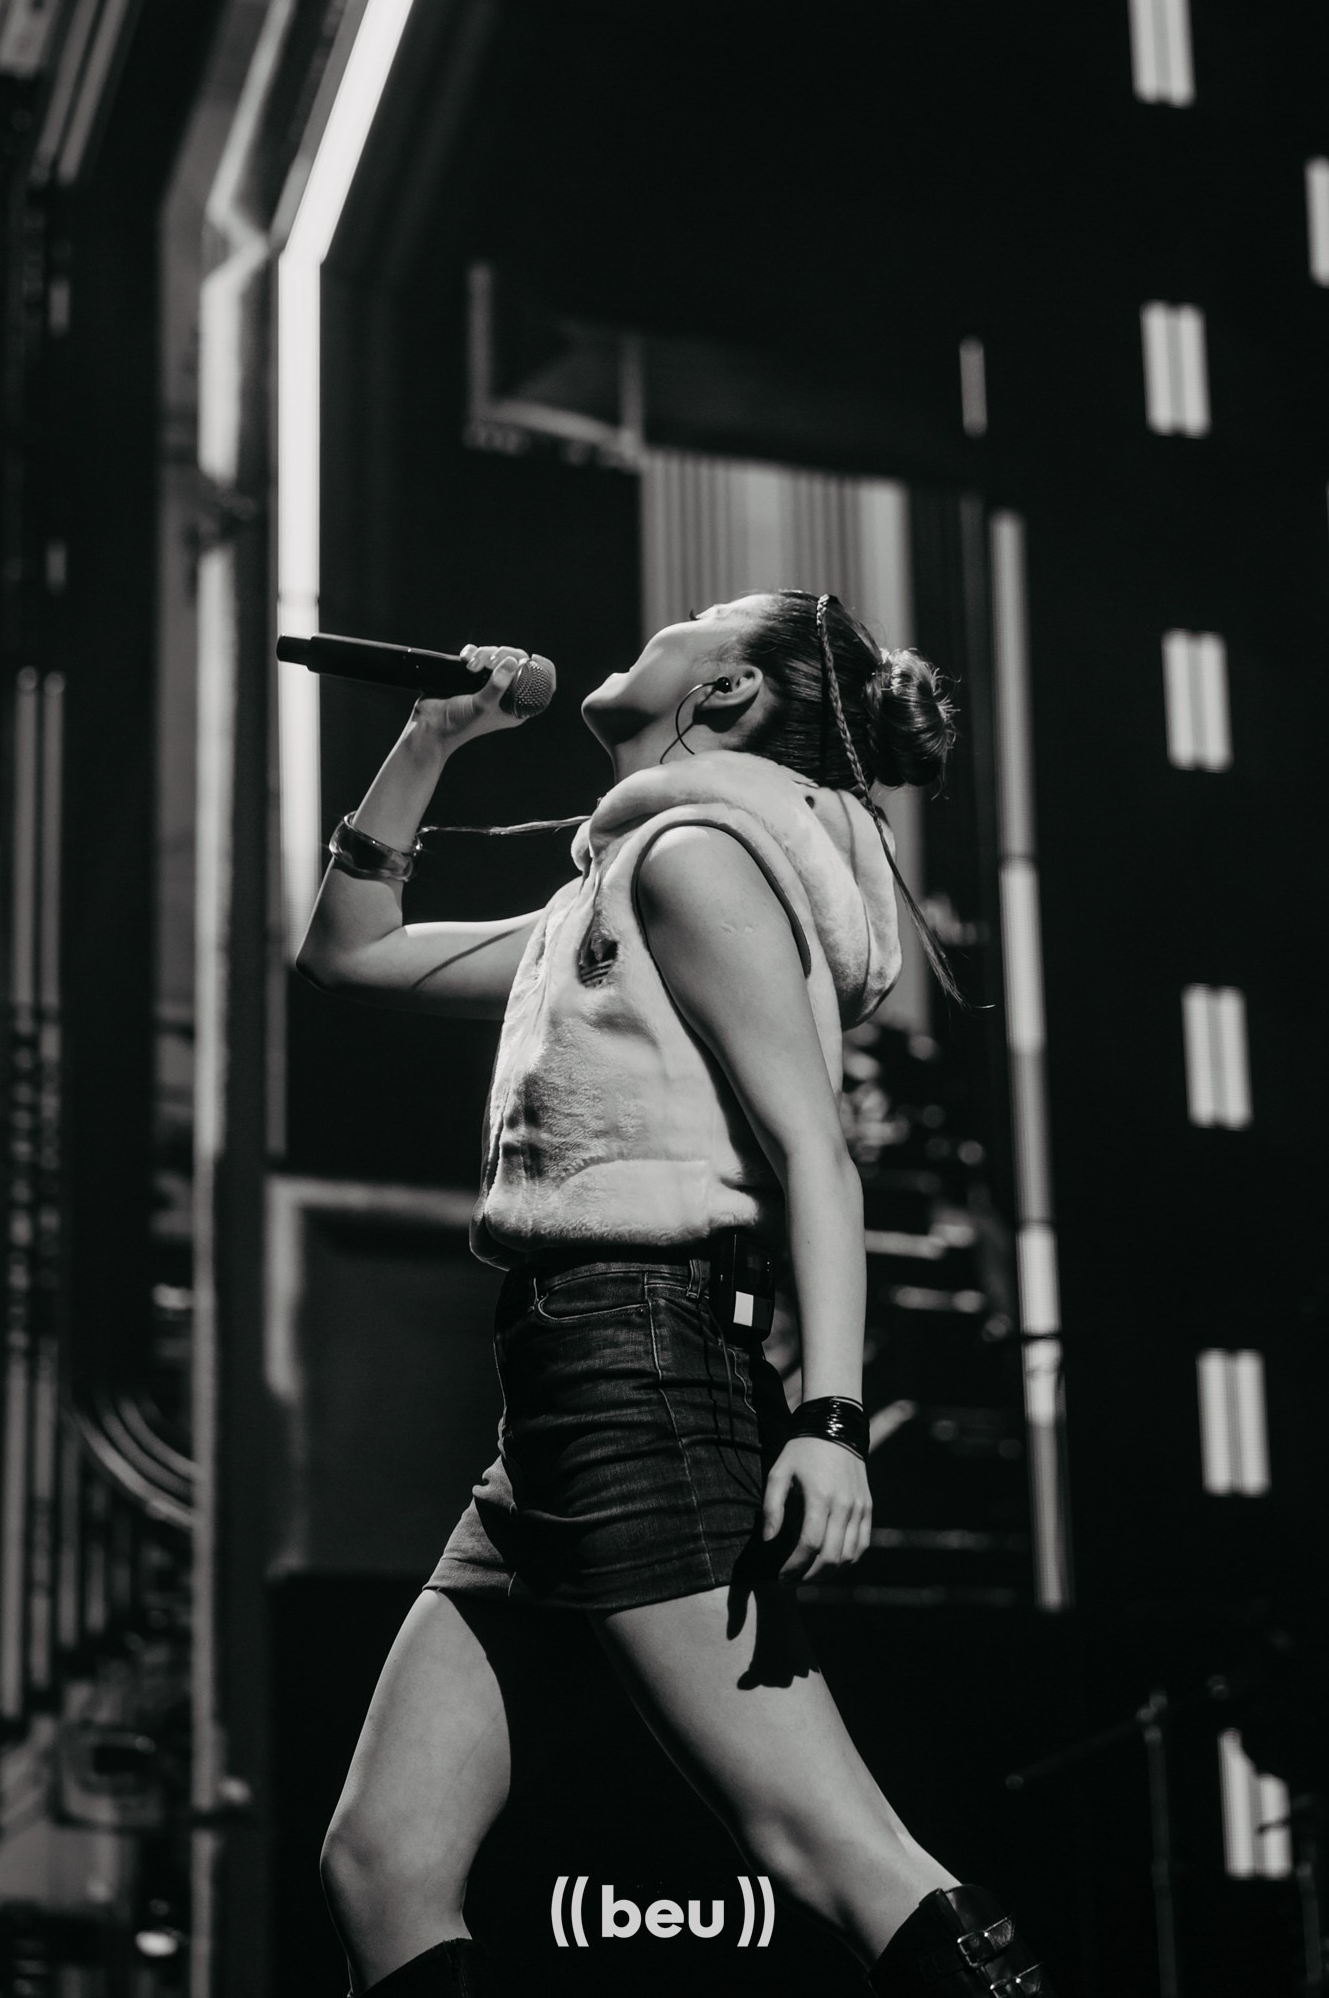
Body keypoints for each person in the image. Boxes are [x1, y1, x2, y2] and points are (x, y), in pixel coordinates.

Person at [298, 590, 1055, 1997]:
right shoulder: (618, 881)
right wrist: (430, 740)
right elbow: (349, 955)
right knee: (381, 1864)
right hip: (563, 1391)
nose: (656, 628)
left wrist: (831, 1422)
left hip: (641, 1363)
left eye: (699, 622)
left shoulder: (697, 859)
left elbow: (816, 1155)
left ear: (728, 694)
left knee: (834, 1851)